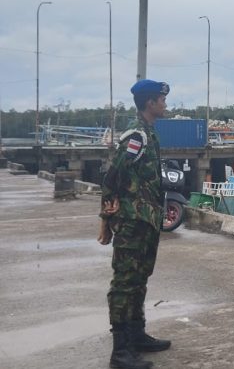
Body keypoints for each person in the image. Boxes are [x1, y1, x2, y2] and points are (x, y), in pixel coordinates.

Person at [98, 79, 172, 369]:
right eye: (162, 100)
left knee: (139, 280)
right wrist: (106, 220)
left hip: (146, 221)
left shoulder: (149, 134)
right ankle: (120, 351)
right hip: (131, 222)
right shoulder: (136, 136)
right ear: (151, 103)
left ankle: (137, 335)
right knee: (125, 283)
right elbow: (112, 177)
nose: (165, 105)